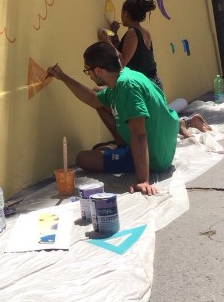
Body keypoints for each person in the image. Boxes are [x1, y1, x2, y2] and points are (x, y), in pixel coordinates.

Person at [47, 42, 179, 195]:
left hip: (156, 158)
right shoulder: (125, 77)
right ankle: (120, 144)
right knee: (99, 96)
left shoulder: (127, 86)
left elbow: (139, 134)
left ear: (97, 70)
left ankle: (124, 152)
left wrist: (142, 180)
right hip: (161, 147)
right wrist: (63, 77)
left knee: (83, 159)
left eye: (87, 70)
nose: (88, 75)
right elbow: (93, 100)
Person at [99, 0, 162, 89]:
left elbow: (122, 61)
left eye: (121, 13)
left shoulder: (132, 33)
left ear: (126, 13)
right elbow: (126, 53)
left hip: (143, 85)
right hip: (152, 82)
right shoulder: (145, 32)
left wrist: (107, 41)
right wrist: (115, 34)